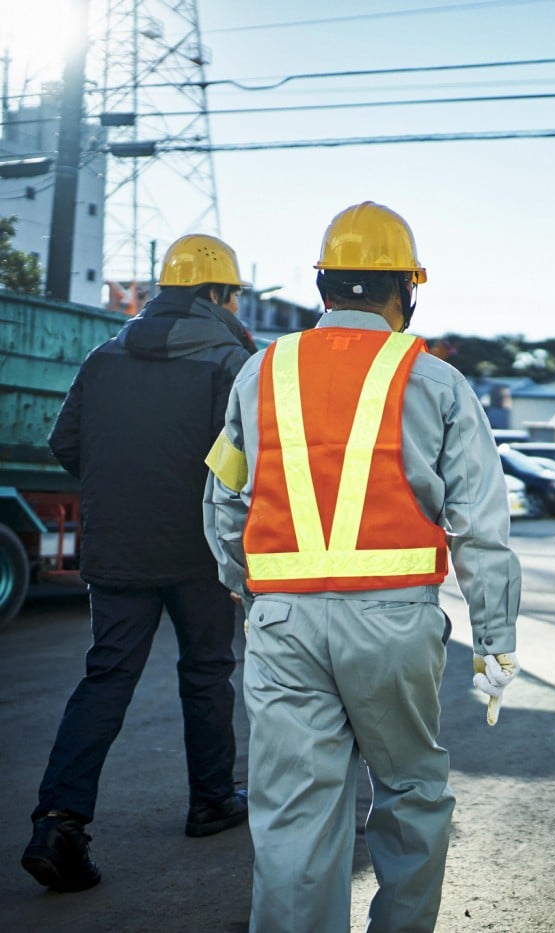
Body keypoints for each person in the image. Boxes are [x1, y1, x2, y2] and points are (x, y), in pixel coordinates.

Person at [203, 201, 521, 933]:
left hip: (282, 622)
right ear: (406, 290)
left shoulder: (261, 371)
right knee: (411, 793)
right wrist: (496, 637)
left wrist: (242, 586)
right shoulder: (435, 381)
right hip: (393, 623)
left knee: (291, 815)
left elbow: (223, 496)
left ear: (324, 286)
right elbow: (481, 523)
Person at [22, 234, 257, 893]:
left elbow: (65, 441)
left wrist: (118, 491)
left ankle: (58, 821)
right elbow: (238, 465)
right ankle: (211, 800)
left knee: (105, 678)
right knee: (207, 671)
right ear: (217, 294)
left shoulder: (106, 353)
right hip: (198, 551)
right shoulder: (230, 359)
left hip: (119, 548)